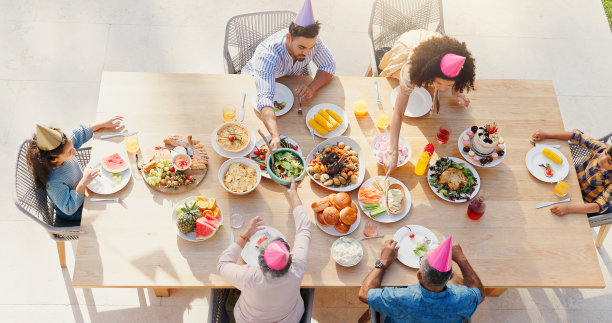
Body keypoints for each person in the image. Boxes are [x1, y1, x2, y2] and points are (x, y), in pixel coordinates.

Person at [242, 0, 335, 152]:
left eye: (311, 47)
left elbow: (328, 65)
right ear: (289, 37)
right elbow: (264, 98)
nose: (307, 53)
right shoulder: (267, 54)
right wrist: (275, 136)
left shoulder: (312, 43)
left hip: (290, 82)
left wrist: (312, 87)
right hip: (256, 79)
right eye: (302, 47)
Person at [381, 30, 476, 176]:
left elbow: (451, 77)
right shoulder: (411, 70)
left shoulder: (452, 66)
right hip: (408, 46)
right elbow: (398, 113)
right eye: (438, 82)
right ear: (428, 72)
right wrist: (393, 152)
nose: (442, 88)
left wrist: (456, 89)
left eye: (449, 85)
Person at [217, 179, 311, 323]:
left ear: (259, 262)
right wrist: (293, 193)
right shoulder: (298, 266)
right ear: (290, 257)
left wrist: (246, 234)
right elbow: (304, 227)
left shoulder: (248, 277)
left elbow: (222, 265)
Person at [359, 236, 484, 323]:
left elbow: (364, 294)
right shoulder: (462, 298)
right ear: (450, 277)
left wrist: (383, 262)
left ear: (419, 275)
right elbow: (480, 294)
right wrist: (461, 259)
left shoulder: (399, 297)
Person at [26, 117, 124, 221]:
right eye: (69, 152)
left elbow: (79, 132)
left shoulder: (63, 145)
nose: (74, 151)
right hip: (75, 211)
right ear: (54, 160)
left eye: (72, 146)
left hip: (84, 190)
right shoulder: (54, 182)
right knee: (110, 211)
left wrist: (102, 124)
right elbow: (69, 208)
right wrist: (83, 183)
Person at [532, 129, 611, 216]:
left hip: (582, 203)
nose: (602, 159)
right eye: (605, 153)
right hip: (570, 180)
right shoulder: (601, 149)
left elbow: (598, 206)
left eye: (609, 162)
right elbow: (578, 136)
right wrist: (547, 135)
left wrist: (567, 209)